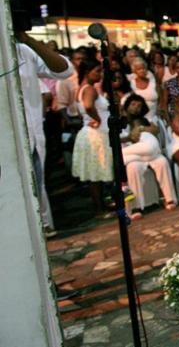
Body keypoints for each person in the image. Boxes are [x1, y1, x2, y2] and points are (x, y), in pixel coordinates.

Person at [15, 31, 74, 236]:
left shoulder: (24, 51)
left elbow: (65, 70)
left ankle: (42, 226)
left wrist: (29, 40)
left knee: (36, 186)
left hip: (32, 135)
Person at [71, 57, 113, 214]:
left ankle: (100, 205)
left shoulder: (80, 88)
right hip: (96, 134)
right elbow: (88, 106)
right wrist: (97, 119)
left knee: (95, 174)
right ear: (88, 72)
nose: (100, 74)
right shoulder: (89, 89)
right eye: (97, 71)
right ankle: (100, 208)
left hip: (90, 133)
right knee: (96, 174)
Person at [121, 117, 178, 217]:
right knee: (132, 167)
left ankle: (170, 199)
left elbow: (155, 129)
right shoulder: (121, 123)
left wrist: (141, 128)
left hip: (148, 151)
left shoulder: (145, 119)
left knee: (162, 162)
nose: (136, 107)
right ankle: (135, 207)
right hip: (138, 156)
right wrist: (129, 137)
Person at [129, 57, 159, 122]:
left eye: (144, 68)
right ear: (134, 71)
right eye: (139, 69)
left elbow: (161, 98)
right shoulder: (131, 83)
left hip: (154, 117)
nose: (142, 70)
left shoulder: (152, 81)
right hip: (138, 118)